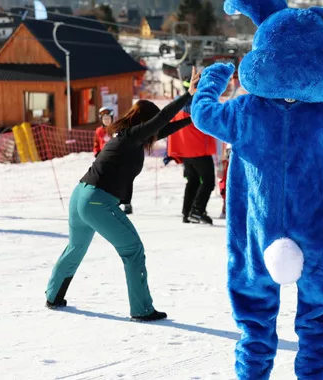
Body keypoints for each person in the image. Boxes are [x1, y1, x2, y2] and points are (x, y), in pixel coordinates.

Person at [44, 68, 201, 321]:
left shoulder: (126, 136)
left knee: (75, 247)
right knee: (133, 250)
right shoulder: (131, 136)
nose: (154, 130)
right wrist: (186, 95)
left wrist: (193, 119)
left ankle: (53, 295)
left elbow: (163, 129)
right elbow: (161, 121)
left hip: (80, 195)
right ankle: (141, 310)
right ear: (145, 121)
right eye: (151, 123)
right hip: (96, 201)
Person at [167, 80, 218, 224]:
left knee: (193, 181)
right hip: (200, 149)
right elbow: (208, 122)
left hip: (185, 151)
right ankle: (197, 210)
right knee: (208, 181)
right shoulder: (199, 103)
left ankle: (187, 212)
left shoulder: (178, 104)